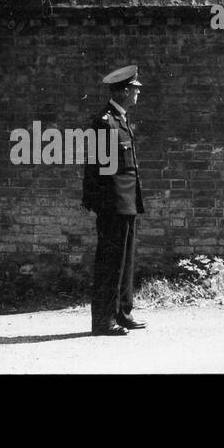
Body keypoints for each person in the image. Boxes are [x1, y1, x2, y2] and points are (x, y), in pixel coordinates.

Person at [82, 64, 147, 336]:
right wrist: (97, 204)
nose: (137, 93)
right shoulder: (104, 121)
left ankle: (123, 312)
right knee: (110, 261)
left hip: (127, 201)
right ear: (121, 91)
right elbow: (94, 168)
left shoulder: (120, 119)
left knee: (125, 260)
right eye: (134, 89)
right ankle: (103, 321)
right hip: (112, 205)